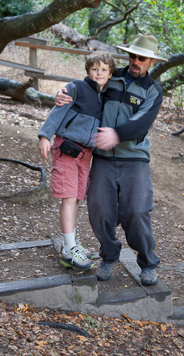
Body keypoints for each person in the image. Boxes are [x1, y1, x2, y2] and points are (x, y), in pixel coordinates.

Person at [56, 34, 167, 285]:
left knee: (136, 211)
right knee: (99, 210)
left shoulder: (153, 90)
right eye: (132, 56)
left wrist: (117, 134)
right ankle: (108, 255)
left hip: (135, 160)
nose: (136, 61)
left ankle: (148, 262)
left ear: (151, 61)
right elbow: (85, 91)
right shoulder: (111, 79)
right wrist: (63, 94)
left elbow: (143, 123)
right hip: (103, 159)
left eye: (142, 58)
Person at [38, 51, 115, 271]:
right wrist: (45, 136)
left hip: (86, 155)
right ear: (88, 70)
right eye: (94, 69)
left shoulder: (106, 96)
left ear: (110, 74)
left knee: (77, 198)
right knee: (69, 197)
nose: (98, 73)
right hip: (67, 150)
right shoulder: (76, 88)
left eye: (103, 70)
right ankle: (70, 248)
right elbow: (58, 111)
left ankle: (70, 243)